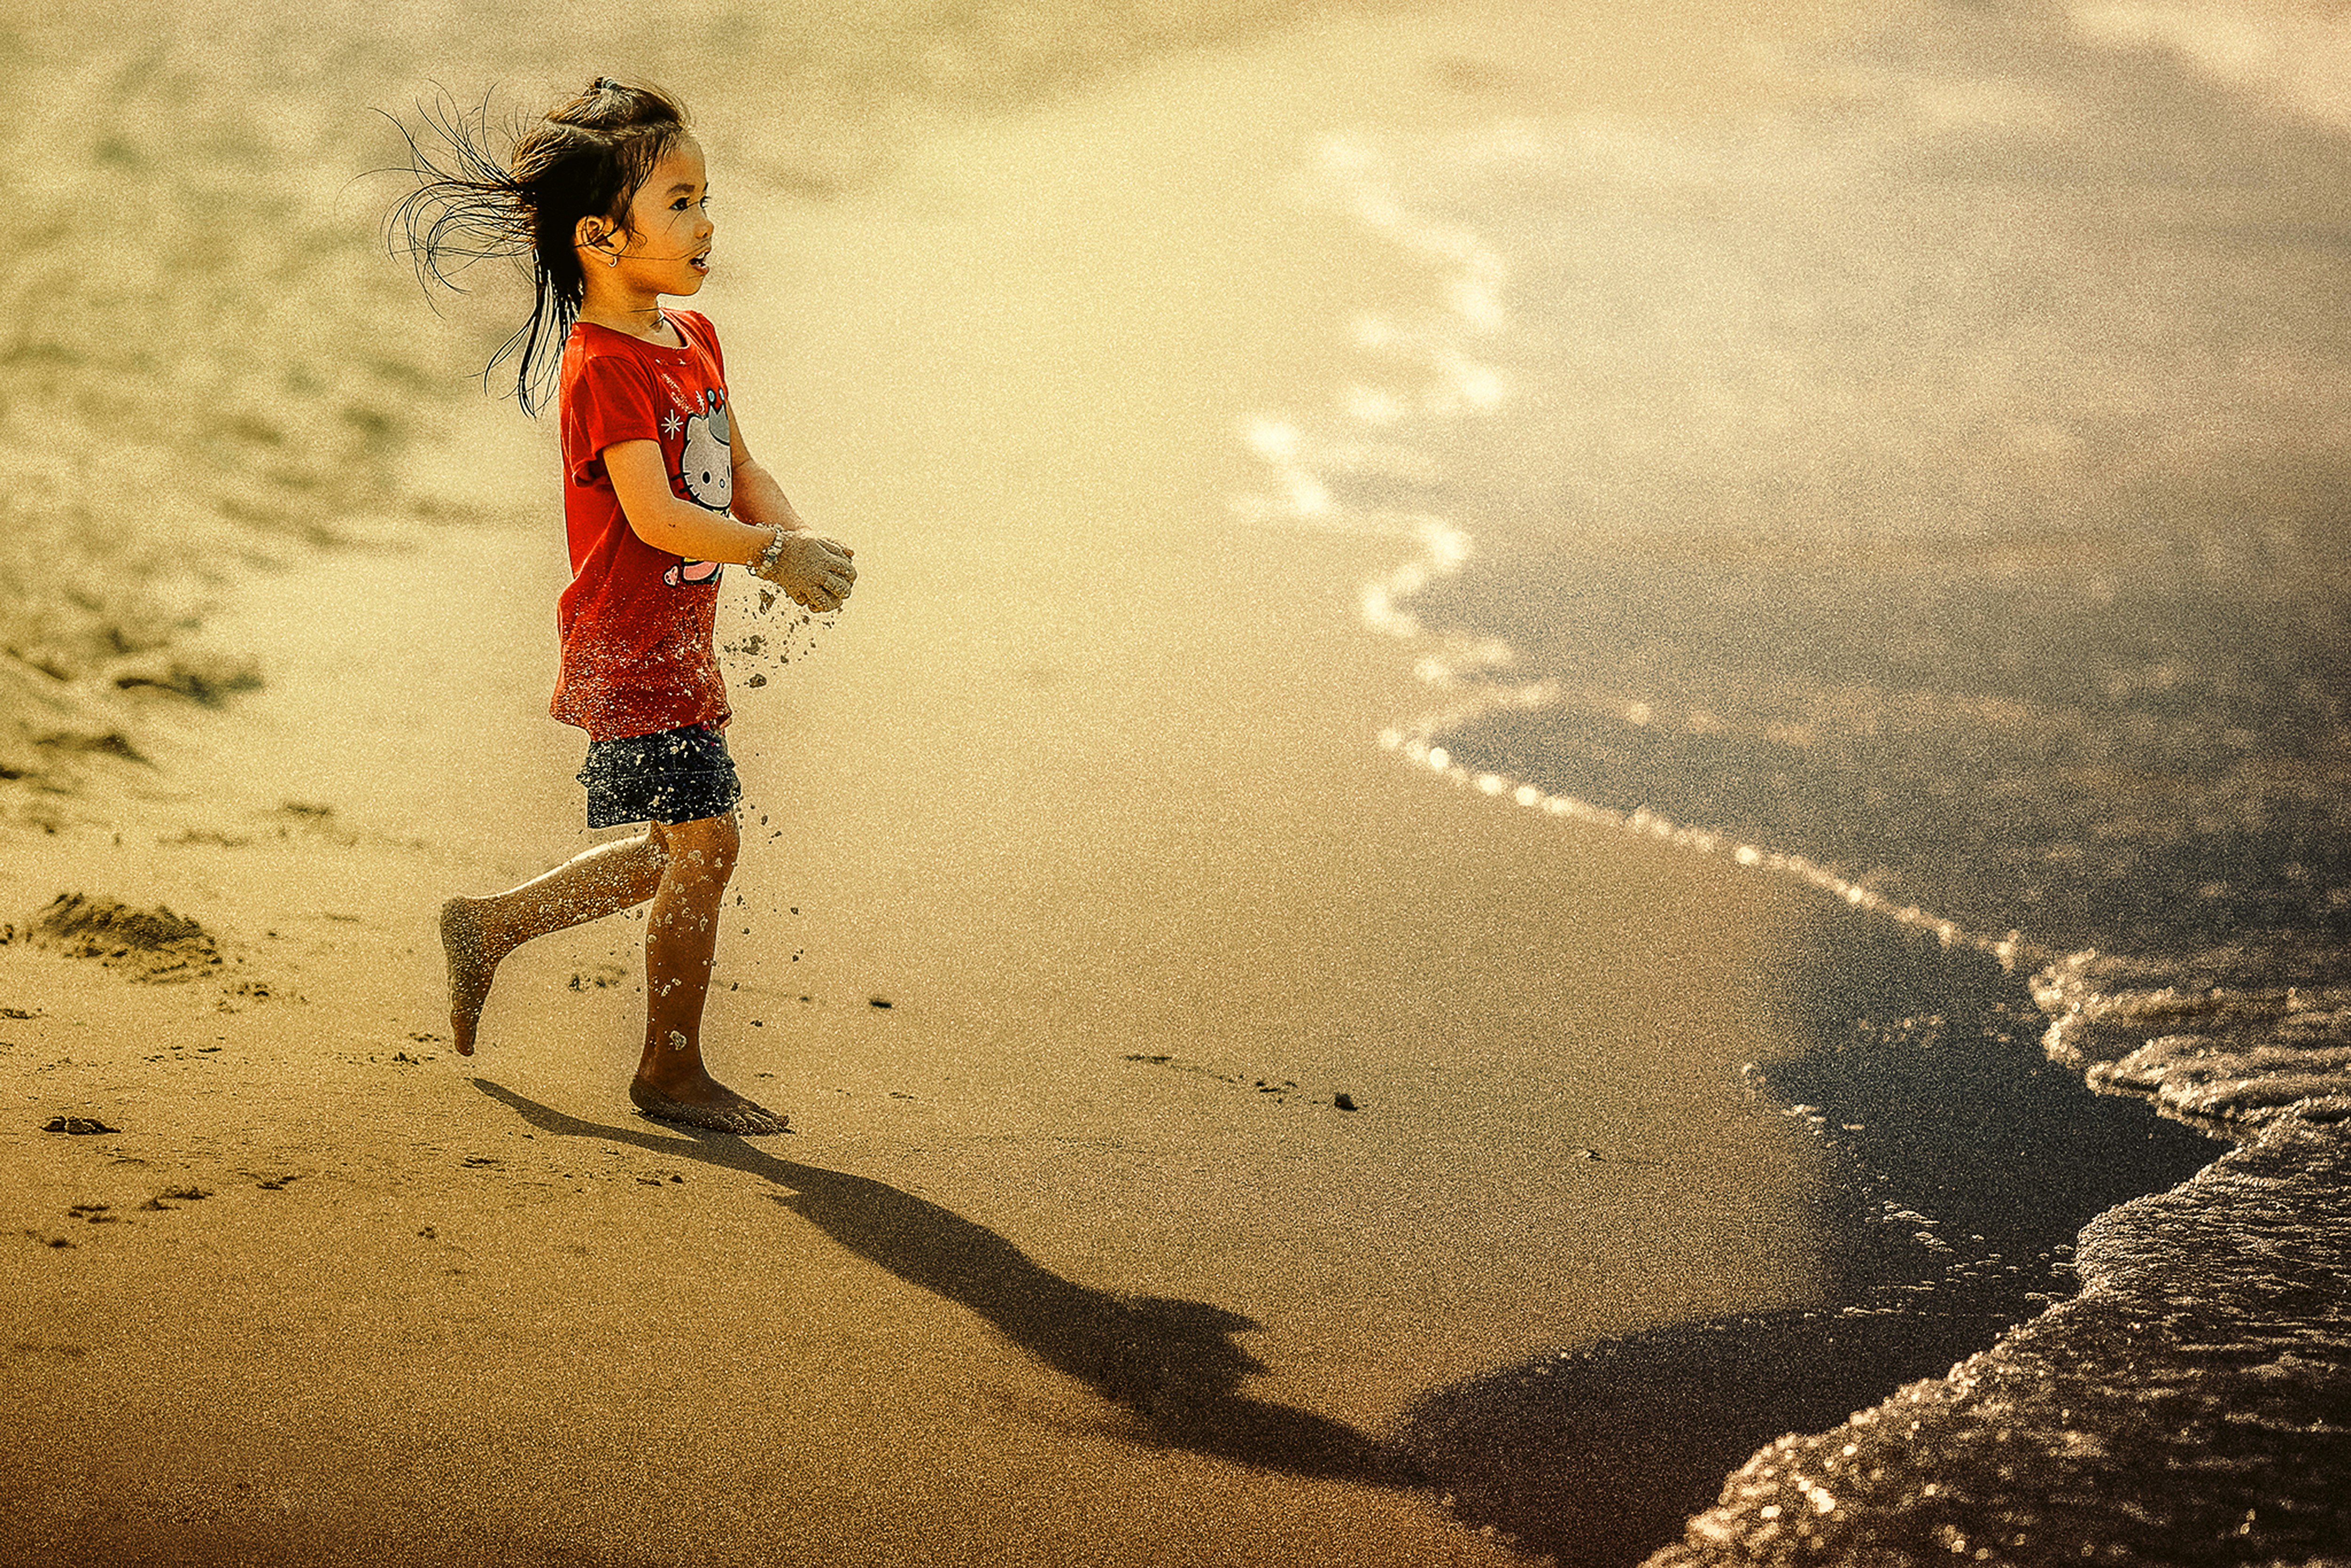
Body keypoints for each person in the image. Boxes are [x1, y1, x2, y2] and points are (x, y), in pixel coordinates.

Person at [390, 78, 854, 1134]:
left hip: (678, 639)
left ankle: (492, 925)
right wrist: (776, 555)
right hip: (628, 644)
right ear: (601, 236)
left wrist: (796, 538)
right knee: (707, 844)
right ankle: (669, 1071)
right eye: (679, 203)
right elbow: (654, 519)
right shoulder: (602, 369)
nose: (704, 223)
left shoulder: (694, 344)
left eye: (704, 198)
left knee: (671, 847)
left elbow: (738, 468)